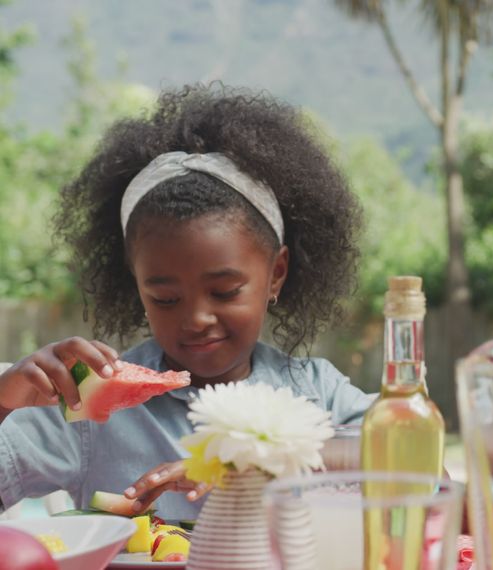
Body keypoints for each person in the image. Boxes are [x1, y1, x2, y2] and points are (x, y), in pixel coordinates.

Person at [0, 84, 374, 520]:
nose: (196, 319)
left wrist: (252, 464)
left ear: (276, 274)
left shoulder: (319, 394)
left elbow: (421, 469)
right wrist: (4, 404)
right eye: (165, 298)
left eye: (225, 291)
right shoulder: (85, 410)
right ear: (136, 286)